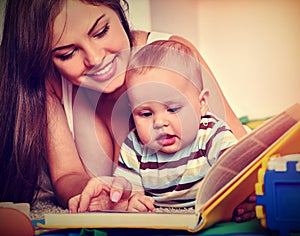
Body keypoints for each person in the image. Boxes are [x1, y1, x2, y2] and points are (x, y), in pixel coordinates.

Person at [0, 0, 254, 221]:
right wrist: (94, 192)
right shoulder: (51, 82)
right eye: (68, 53)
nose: (95, 59)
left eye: (101, 32)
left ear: (117, 9)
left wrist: (248, 190)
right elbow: (67, 174)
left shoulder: (172, 55)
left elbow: (240, 148)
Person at [113, 40, 238, 212]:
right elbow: (129, 189)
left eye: (172, 109)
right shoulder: (134, 146)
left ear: (201, 103)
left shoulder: (212, 133)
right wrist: (134, 200)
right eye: (146, 114)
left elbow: (238, 166)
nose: (159, 123)